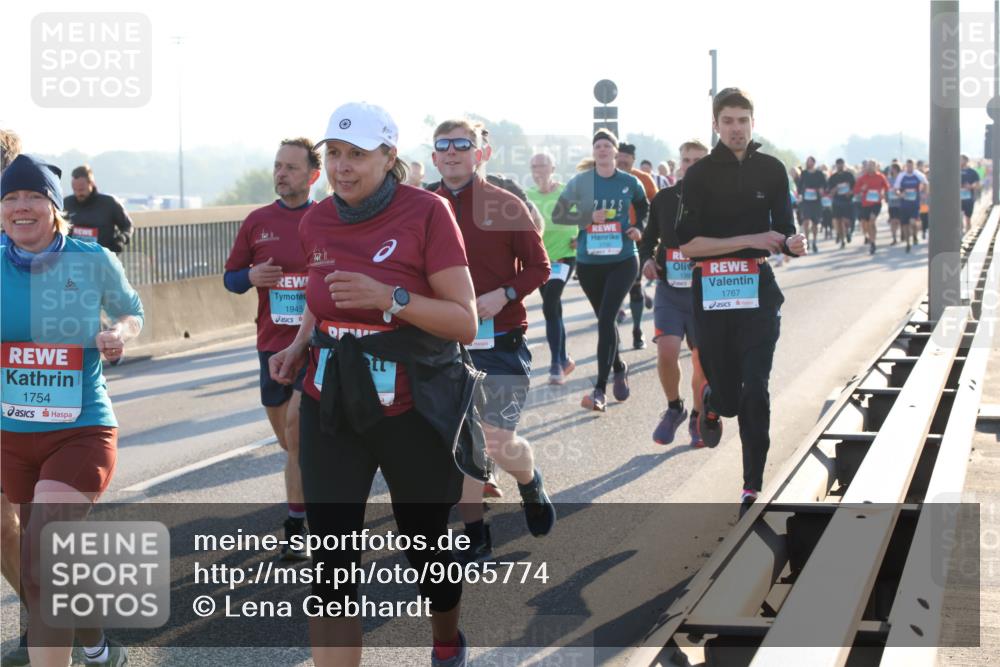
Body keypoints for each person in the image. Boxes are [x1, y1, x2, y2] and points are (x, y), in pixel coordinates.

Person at [268, 102, 482, 667]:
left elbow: (465, 321)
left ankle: (445, 640)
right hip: (330, 398)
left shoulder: (428, 213)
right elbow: (324, 295)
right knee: (331, 557)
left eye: (357, 155)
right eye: (334, 154)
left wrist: (391, 298)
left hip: (411, 404)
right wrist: (298, 345)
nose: (342, 168)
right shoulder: (315, 219)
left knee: (426, 544)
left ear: (389, 158)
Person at [2, 154, 143, 667]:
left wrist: (116, 334)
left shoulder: (92, 259)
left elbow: (132, 311)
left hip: (80, 429)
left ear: (53, 207)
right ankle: (98, 646)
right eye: (10, 198)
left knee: (45, 553)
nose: (21, 208)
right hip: (12, 436)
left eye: (33, 198)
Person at [675, 88, 807, 515]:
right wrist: (750, 239)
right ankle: (713, 403)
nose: (736, 128)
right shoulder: (698, 176)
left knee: (756, 390)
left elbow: (784, 231)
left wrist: (792, 242)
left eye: (743, 121)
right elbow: (689, 245)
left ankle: (751, 488)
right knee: (731, 398)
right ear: (716, 124)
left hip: (757, 295)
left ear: (754, 123)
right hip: (711, 296)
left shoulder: (771, 169)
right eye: (728, 121)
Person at [431, 119, 555, 563]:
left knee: (499, 441)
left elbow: (540, 268)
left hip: (501, 340)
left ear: (480, 154)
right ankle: (475, 531)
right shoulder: (425, 207)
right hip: (445, 345)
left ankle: (529, 480)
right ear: (433, 157)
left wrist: (501, 294)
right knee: (468, 442)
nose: (451, 153)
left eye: (461, 145)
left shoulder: (507, 206)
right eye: (442, 146)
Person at [223, 138, 320, 560]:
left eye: (291, 168)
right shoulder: (258, 221)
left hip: (319, 346)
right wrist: (251, 274)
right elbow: (230, 278)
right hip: (271, 343)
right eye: (278, 166)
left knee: (298, 432)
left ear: (313, 175)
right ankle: (312, 491)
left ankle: (296, 525)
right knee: (289, 443)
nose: (281, 174)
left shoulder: (329, 218)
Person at [551, 129, 648, 411]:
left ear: (615, 152)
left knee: (606, 319)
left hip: (622, 259)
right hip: (590, 263)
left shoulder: (629, 182)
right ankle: (619, 366)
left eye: (607, 145)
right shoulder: (581, 182)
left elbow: (644, 209)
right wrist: (585, 217)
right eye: (598, 146)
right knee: (606, 321)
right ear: (593, 152)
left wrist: (638, 228)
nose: (603, 150)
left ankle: (599, 390)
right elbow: (559, 214)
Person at [640, 139, 709, 446]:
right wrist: (646, 261)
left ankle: (697, 414)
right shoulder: (665, 199)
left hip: (707, 292)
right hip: (670, 289)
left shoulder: (720, 200)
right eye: (686, 160)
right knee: (666, 351)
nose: (691, 166)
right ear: (679, 163)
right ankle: (674, 408)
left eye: (698, 161)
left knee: (701, 361)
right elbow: (648, 237)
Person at [527, 152, 577, 385]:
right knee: (553, 309)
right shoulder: (527, 196)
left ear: (553, 168)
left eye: (543, 166)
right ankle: (564, 358)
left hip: (564, 258)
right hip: (540, 261)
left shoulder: (567, 193)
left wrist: (582, 237)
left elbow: (586, 219)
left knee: (549, 304)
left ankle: (556, 363)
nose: (539, 171)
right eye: (535, 166)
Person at [616, 142, 657, 349]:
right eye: (619, 156)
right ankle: (613, 335)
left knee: (635, 287)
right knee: (612, 290)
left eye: (626, 157)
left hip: (637, 240)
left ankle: (637, 331)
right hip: (609, 241)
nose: (622, 160)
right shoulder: (602, 177)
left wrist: (648, 232)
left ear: (633, 159)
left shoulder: (644, 179)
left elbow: (655, 207)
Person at [62, 165, 133, 254]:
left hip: (103, 257)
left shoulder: (109, 203)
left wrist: (121, 240)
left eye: (81, 189)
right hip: (75, 257)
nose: (78, 193)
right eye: (75, 189)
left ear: (91, 183)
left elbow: (127, 226)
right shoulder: (67, 204)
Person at [854, 159, 891, 255]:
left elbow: (887, 187)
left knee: (872, 221)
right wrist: (862, 189)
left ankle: (873, 242)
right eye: (869, 165)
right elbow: (856, 190)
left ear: (876, 166)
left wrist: (883, 193)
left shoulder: (880, 176)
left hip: (876, 203)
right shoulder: (863, 178)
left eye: (872, 165)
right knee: (866, 224)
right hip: (865, 204)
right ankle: (869, 237)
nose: (870, 167)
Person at [893, 158, 927, 253]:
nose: (909, 168)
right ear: (905, 166)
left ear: (914, 166)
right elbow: (896, 189)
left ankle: (915, 235)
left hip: (914, 203)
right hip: (904, 204)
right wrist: (900, 194)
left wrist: (923, 194)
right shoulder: (901, 176)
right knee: (905, 225)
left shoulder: (918, 175)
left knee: (912, 222)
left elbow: (925, 184)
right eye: (908, 166)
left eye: (911, 166)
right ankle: (908, 243)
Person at [796, 156, 826, 253]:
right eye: (807, 162)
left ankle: (814, 242)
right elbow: (799, 185)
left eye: (810, 162)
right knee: (806, 222)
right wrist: (800, 194)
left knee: (815, 223)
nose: (809, 163)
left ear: (814, 163)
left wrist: (822, 189)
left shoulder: (819, 173)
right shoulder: (804, 173)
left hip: (816, 201)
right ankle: (807, 241)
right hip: (806, 201)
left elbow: (824, 184)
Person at [827, 158, 855, 248]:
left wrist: (850, 192)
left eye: (841, 164)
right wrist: (834, 190)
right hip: (837, 201)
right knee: (838, 221)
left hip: (847, 201)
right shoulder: (833, 177)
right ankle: (842, 240)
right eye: (838, 164)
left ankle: (847, 232)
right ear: (836, 165)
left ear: (844, 164)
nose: (840, 165)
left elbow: (855, 187)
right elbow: (829, 191)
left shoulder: (849, 175)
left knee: (846, 220)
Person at [961, 154, 980, 233]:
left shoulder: (972, 172)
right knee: (958, 216)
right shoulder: (954, 171)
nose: (960, 161)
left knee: (968, 217)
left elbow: (977, 183)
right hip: (956, 198)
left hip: (968, 197)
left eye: (961, 159)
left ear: (966, 161)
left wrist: (970, 186)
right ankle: (960, 231)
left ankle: (967, 231)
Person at [886, 162, 903, 246]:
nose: (891, 170)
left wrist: (900, 192)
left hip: (900, 202)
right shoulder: (888, 179)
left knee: (899, 221)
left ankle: (902, 233)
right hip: (891, 203)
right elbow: (886, 189)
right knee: (893, 221)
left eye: (893, 168)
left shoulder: (902, 178)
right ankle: (894, 238)